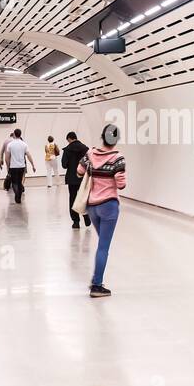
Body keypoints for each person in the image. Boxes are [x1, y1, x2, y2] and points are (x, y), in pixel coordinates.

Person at [78, 123, 127, 297]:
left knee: (101, 245)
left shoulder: (90, 153)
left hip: (92, 206)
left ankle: (96, 280)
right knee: (103, 247)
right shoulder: (118, 157)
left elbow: (79, 171)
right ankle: (97, 285)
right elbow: (121, 184)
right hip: (109, 206)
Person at [60, 132, 90, 229]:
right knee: (83, 197)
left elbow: (64, 165)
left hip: (72, 178)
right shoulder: (85, 149)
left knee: (73, 198)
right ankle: (86, 216)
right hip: (83, 178)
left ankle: (76, 222)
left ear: (69, 139)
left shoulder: (67, 149)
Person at [3, 128, 35, 204]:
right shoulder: (24, 144)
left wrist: (8, 166)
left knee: (14, 183)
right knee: (20, 182)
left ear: (14, 134)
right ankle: (19, 197)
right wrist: (33, 165)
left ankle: (17, 194)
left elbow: (7, 157)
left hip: (13, 167)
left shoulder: (10, 145)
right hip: (22, 166)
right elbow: (28, 155)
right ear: (20, 134)